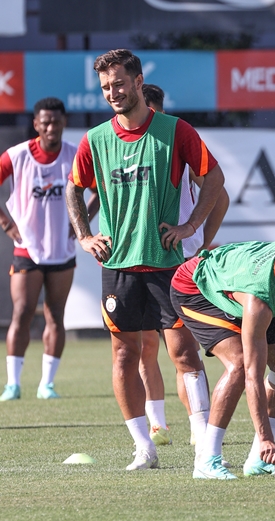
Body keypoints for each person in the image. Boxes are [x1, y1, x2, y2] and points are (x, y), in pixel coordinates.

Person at [65, 49, 225, 471]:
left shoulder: (175, 131)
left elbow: (214, 178)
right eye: (104, 87)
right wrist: (84, 236)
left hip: (167, 264)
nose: (112, 93)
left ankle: (204, 444)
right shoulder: (96, 139)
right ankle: (144, 448)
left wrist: (191, 227)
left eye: (118, 83)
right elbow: (73, 187)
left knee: (185, 354)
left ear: (138, 82)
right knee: (124, 356)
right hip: (118, 267)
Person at [170, 225, 275, 480]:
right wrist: (265, 437)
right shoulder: (258, 301)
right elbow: (254, 376)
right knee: (240, 365)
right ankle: (207, 459)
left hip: (239, 284)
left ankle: (258, 460)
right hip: (194, 288)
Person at [138, 83, 230, 447]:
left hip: (180, 262)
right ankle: (157, 424)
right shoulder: (124, 148)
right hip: (136, 261)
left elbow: (219, 195)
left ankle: (200, 427)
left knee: (182, 351)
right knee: (145, 347)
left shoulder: (175, 144)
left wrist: (200, 239)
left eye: (156, 113)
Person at [0, 97, 98, 401]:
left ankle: (47, 384)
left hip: (62, 251)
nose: (50, 126)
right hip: (26, 249)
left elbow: (99, 192)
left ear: (64, 123)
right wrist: (6, 223)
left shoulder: (75, 155)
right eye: (45, 121)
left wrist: (82, 223)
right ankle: (12, 384)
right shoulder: (16, 155)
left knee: (56, 314)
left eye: (56, 121)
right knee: (22, 313)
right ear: (36, 124)